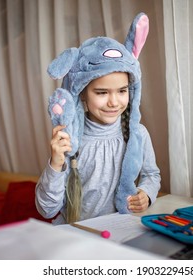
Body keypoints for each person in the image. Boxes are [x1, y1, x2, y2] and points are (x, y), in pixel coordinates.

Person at [35, 13, 161, 225]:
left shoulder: (138, 134)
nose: (114, 102)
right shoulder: (70, 140)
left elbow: (152, 175)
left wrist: (146, 193)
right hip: (76, 237)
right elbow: (46, 210)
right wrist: (56, 163)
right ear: (82, 92)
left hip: (118, 232)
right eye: (102, 93)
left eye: (122, 90)